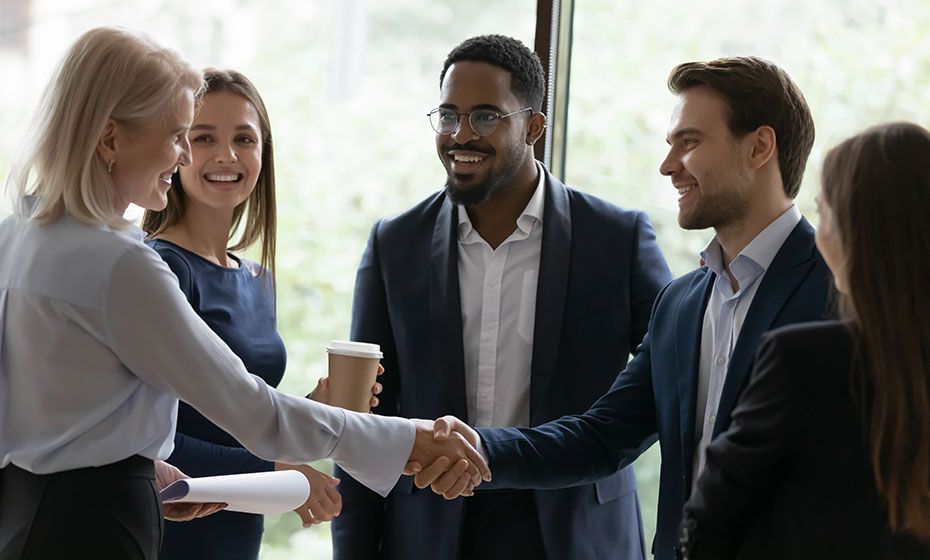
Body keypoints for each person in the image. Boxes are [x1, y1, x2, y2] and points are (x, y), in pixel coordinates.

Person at [0, 26, 488, 560]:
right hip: (95, 528)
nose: (185, 155)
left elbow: (56, 407)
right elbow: (254, 411)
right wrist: (408, 438)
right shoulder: (122, 265)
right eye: (178, 135)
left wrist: (142, 467)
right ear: (111, 139)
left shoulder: (18, 235)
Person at [410, 56, 833, 560]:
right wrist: (479, 446)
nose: (668, 165)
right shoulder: (681, 305)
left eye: (690, 142)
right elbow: (601, 436)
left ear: (760, 147)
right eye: (670, 144)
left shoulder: (841, 292)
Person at [332, 34, 671, 560]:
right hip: (432, 530)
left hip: (577, 528)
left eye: (486, 117)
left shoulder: (617, 239)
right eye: (448, 116)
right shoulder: (394, 244)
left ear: (534, 126)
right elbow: (361, 419)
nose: (460, 135)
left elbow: (664, 384)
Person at [678, 122, 930, 560]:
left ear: (853, 233)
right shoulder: (683, 300)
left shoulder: (806, 360)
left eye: (825, 211)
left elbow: (711, 517)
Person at [141, 69, 357, 560]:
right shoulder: (158, 268)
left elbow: (237, 418)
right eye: (203, 138)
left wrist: (314, 408)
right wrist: (277, 469)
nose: (226, 156)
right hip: (169, 528)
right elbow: (152, 439)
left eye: (244, 138)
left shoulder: (257, 278)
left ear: (264, 153)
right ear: (176, 149)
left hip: (238, 534)